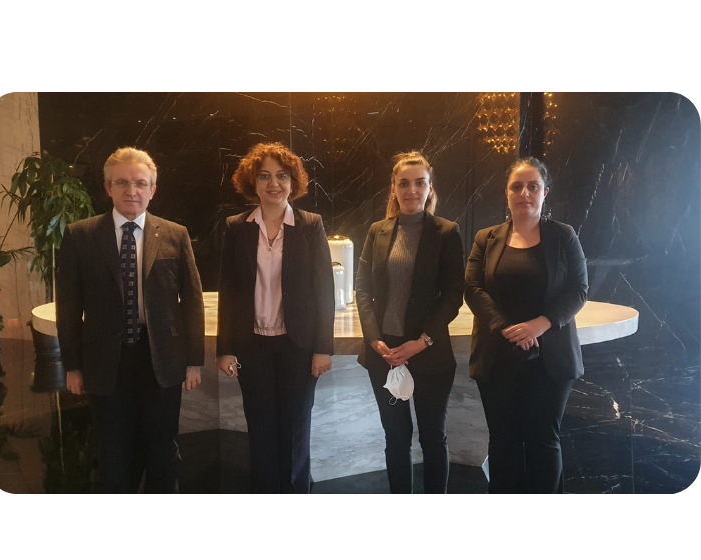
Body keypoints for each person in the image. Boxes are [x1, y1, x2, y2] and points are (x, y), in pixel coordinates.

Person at [56, 147, 205, 493]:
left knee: (162, 451)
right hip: (104, 361)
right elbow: (69, 306)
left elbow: (192, 301)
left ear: (153, 189)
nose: (131, 190)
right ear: (107, 187)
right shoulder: (80, 235)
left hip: (162, 359)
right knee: (112, 453)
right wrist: (72, 366)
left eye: (140, 183)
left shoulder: (175, 234)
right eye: (122, 182)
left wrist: (194, 361)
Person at [216, 142, 334, 494]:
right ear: (252, 182)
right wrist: (225, 348)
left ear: (293, 182)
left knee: (296, 429)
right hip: (251, 345)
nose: (274, 184)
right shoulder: (236, 227)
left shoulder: (310, 225)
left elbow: (323, 290)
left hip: (299, 345)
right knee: (261, 429)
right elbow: (229, 291)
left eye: (282, 176)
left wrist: (322, 348)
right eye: (264, 176)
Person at [465, 156, 588, 493]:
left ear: (545, 192)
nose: (524, 193)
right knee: (502, 442)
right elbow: (472, 288)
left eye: (533, 186)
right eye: (516, 186)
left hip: (550, 359)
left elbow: (579, 289)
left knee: (543, 441)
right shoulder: (486, 238)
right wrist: (506, 328)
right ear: (506, 193)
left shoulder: (564, 236)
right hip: (497, 356)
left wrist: (539, 324)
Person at [355, 151, 465, 493]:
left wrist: (421, 342)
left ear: (429, 188)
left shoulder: (446, 232)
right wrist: (374, 339)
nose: (411, 190)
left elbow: (453, 296)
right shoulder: (377, 231)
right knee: (396, 437)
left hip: (428, 352)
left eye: (419, 183)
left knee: (432, 437)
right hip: (385, 354)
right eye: (404, 183)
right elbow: (363, 288)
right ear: (393, 188)